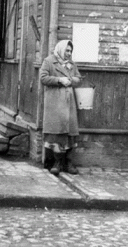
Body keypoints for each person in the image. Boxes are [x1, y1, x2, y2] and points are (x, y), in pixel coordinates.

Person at [39, 40, 81, 176]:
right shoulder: (49, 61)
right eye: (67, 50)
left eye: (70, 51)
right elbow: (43, 78)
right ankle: (56, 162)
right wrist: (59, 80)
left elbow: (78, 78)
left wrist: (72, 80)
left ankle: (68, 162)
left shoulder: (72, 64)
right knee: (56, 132)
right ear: (60, 49)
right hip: (55, 103)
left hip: (69, 104)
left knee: (70, 132)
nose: (69, 53)